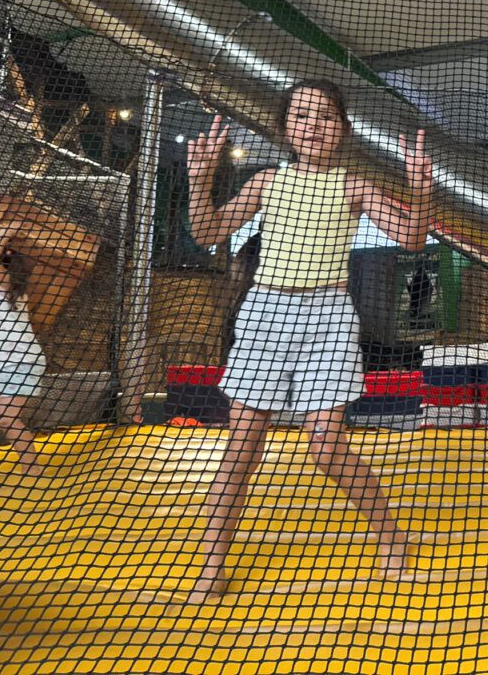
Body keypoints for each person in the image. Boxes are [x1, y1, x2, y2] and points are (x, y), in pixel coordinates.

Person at [184, 79, 433, 603]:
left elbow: (412, 238)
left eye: (324, 116)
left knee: (325, 445)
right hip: (266, 314)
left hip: (328, 318)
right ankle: (212, 564)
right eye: (301, 115)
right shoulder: (267, 181)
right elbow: (207, 233)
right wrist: (199, 182)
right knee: (241, 448)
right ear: (285, 127)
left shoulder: (354, 186)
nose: (312, 126)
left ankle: (391, 535)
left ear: (342, 129)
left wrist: (419, 190)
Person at [0, 226, 47, 477]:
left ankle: (33, 469)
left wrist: (8, 228)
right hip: (4, 361)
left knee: (7, 417)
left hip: (19, 361)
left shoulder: (3, 286)